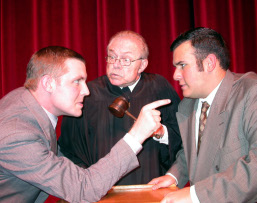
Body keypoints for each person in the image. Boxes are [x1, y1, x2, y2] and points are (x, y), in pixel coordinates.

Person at [0, 46, 171, 203]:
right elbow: (82, 189)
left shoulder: (25, 101)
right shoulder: (17, 134)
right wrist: (137, 135)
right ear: (48, 83)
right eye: (77, 81)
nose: (86, 91)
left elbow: (60, 163)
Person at [149, 27, 257, 202]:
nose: (175, 75)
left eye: (182, 65)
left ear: (209, 63)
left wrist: (195, 195)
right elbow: (192, 152)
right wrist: (175, 176)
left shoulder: (255, 92)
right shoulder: (187, 105)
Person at [58, 30, 181, 185]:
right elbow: (69, 149)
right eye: (112, 56)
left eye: (125, 60)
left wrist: (162, 133)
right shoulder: (88, 94)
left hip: (150, 190)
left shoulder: (159, 88)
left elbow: (183, 137)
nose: (115, 65)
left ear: (142, 64)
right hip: (101, 193)